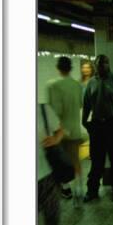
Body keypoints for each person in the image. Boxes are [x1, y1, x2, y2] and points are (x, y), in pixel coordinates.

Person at [82, 54, 113, 203]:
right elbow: (87, 104)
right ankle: (92, 190)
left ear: (108, 65)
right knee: (97, 159)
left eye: (104, 64)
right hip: (97, 125)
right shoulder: (91, 83)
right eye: (98, 65)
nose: (101, 67)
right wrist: (85, 123)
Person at [46, 56, 84, 202]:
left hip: (60, 132)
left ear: (58, 68)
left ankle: (66, 189)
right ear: (70, 68)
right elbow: (80, 104)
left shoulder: (53, 85)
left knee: (58, 161)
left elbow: (54, 111)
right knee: (75, 161)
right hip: (74, 129)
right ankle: (79, 189)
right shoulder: (76, 85)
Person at [37, 103, 64, 225]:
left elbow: (60, 129)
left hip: (45, 172)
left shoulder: (42, 109)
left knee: (52, 210)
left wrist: (55, 139)